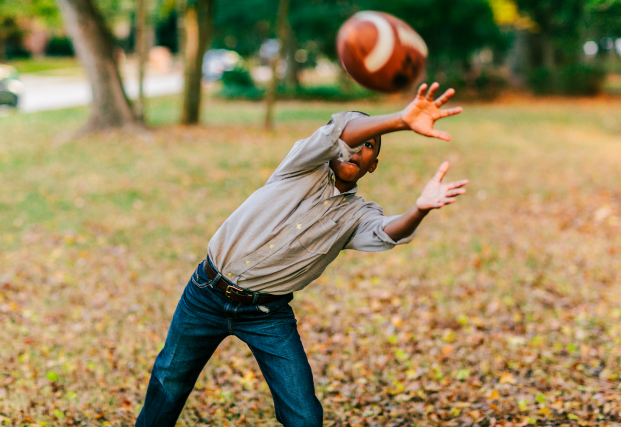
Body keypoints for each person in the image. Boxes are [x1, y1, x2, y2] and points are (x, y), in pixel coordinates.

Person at [136, 82, 469, 426]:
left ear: (374, 165)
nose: (355, 148)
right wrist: (401, 119)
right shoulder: (302, 165)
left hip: (267, 313)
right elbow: (340, 130)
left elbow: (386, 233)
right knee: (169, 383)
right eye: (351, 142)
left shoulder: (357, 214)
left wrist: (419, 209)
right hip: (206, 293)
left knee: (305, 417)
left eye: (367, 146)